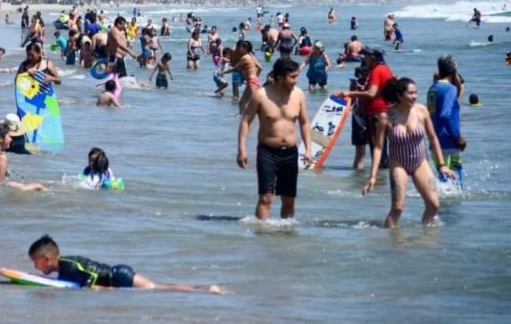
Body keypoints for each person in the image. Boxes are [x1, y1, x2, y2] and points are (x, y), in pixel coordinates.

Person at [362, 78, 456, 227]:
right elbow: (379, 147)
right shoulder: (386, 117)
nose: (415, 96)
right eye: (410, 93)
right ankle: (390, 241)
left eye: (416, 92)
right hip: (399, 164)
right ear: (400, 95)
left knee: (434, 205)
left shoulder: (421, 111)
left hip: (420, 163)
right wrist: (372, 176)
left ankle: (425, 237)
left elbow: (433, 138)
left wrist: (442, 165)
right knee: (397, 208)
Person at [237, 58, 312, 220]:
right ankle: (262, 237)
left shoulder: (298, 95)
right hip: (267, 153)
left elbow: (304, 123)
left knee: (289, 200)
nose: (295, 81)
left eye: (296, 76)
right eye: (292, 77)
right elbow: (245, 121)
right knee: (266, 197)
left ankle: (285, 238)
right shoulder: (261, 95)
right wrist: (241, 150)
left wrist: (308, 149)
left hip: (291, 153)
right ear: (280, 78)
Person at [28, 235, 220, 293]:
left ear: (46, 259)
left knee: (159, 287)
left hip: (118, 276)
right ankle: (203, 288)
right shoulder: (64, 268)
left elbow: (90, 277)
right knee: (160, 286)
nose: (35, 267)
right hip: (118, 274)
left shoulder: (68, 265)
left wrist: (95, 290)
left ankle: (205, 290)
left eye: (35, 262)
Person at [341, 46, 394, 172]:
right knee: (382, 149)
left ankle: (378, 181)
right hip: (385, 113)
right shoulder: (386, 69)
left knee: (377, 149)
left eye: (366, 57)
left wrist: (350, 93)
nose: (365, 59)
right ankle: (382, 182)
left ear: (372, 58)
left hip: (375, 115)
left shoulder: (376, 71)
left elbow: (371, 94)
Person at [427, 55, 467, 186]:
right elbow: (446, 115)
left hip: (436, 142)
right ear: (454, 71)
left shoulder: (432, 88)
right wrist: (458, 136)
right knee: (456, 182)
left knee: (444, 180)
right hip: (449, 141)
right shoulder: (450, 88)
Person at [0, 123, 46, 190]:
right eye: (9, 136)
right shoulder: (1, 158)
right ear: (0, 138)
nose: (11, 139)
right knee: (38, 186)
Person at [350, 65, 370, 170]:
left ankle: (358, 176)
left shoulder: (364, 84)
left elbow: (351, 102)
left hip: (361, 117)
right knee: (361, 153)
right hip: (362, 118)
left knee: (360, 154)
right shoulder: (368, 83)